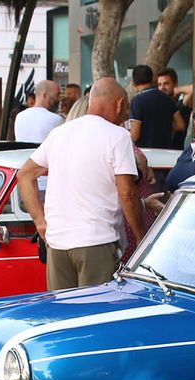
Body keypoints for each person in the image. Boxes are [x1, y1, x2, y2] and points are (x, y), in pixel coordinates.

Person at [14, 78, 142, 290]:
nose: (127, 114)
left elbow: (25, 175)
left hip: (57, 243)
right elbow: (127, 194)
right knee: (96, 316)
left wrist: (41, 222)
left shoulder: (60, 133)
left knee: (66, 317)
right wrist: (140, 237)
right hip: (96, 241)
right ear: (119, 104)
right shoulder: (119, 136)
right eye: (126, 107)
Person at [127, 64, 177, 150]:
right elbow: (180, 125)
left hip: (146, 153)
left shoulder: (137, 101)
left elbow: (135, 135)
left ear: (134, 82)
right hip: (166, 152)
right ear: (152, 79)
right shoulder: (167, 99)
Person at [156, 68, 188, 146]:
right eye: (159, 84)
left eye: (166, 83)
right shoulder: (157, 105)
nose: (162, 87)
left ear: (175, 84)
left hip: (179, 149)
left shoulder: (182, 103)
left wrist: (177, 90)